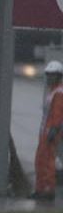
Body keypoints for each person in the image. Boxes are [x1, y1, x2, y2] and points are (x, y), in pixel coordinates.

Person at [36, 60, 63, 202]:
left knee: (47, 162)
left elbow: (57, 115)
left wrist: (53, 130)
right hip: (44, 132)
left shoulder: (58, 92)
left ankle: (48, 190)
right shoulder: (52, 92)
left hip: (50, 133)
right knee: (40, 160)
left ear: (59, 76)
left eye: (52, 75)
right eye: (48, 75)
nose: (49, 78)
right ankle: (40, 189)